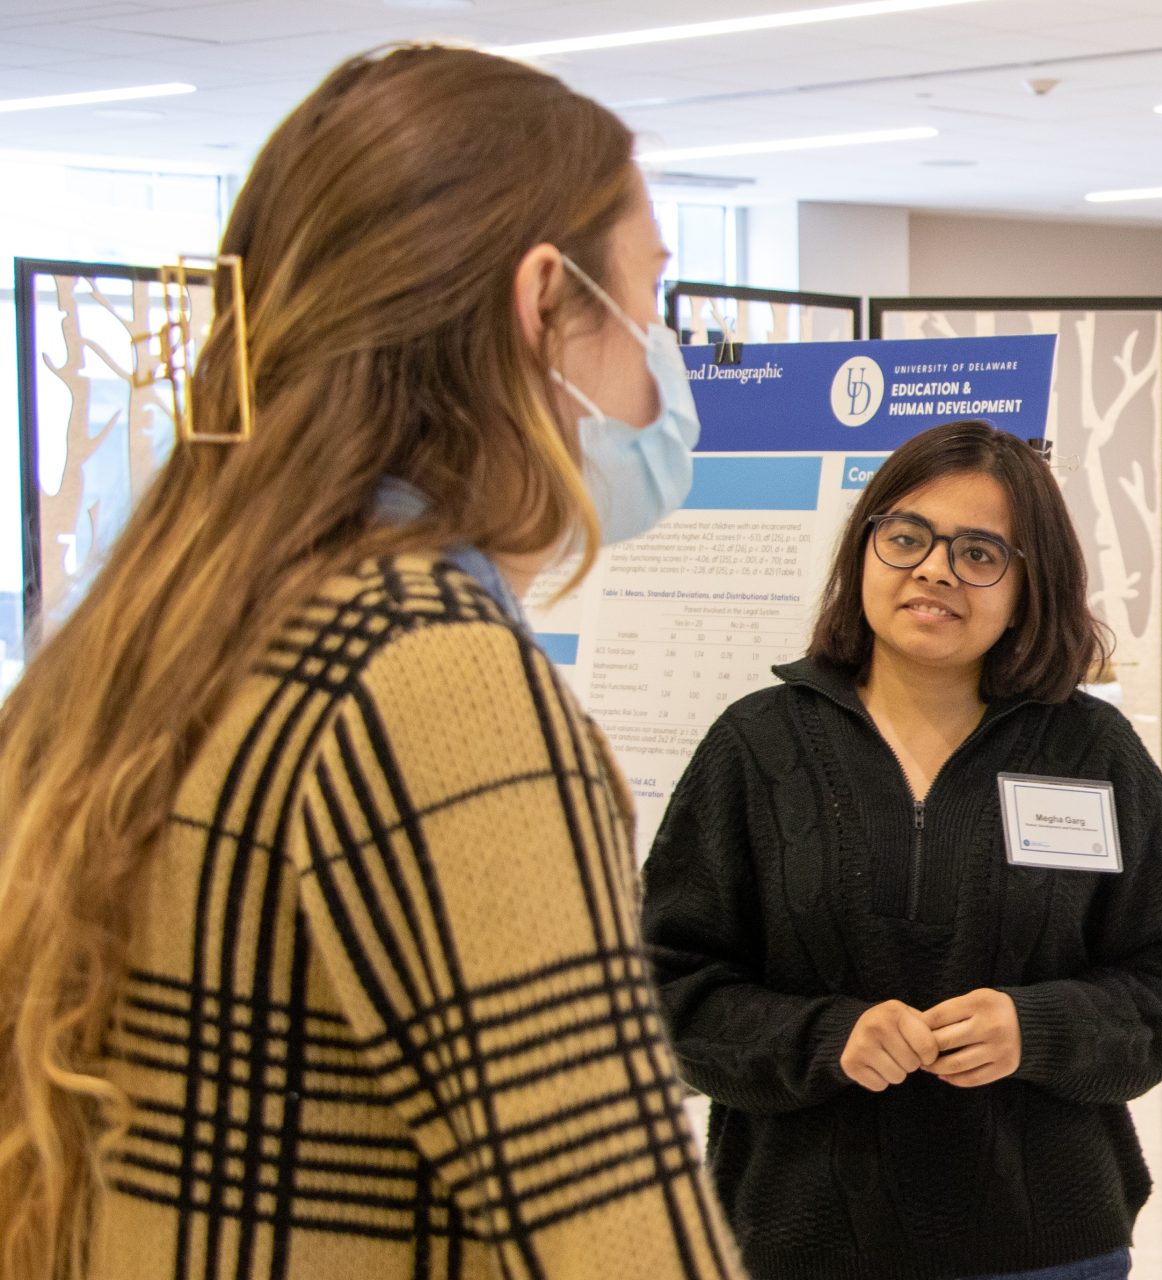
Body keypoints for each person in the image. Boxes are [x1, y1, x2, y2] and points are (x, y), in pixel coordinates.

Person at [0, 45, 737, 1280]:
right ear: (542, 300)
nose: (657, 362)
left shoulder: (151, 633)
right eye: (650, 298)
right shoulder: (434, 675)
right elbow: (619, 1241)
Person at [642, 420, 1162, 1280]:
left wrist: (1036, 1028)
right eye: (907, 536)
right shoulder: (755, 747)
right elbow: (663, 986)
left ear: (1032, 584)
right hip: (799, 1239)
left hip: (1047, 1244)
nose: (935, 570)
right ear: (864, 550)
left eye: (979, 553)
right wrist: (824, 1037)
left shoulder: (1093, 753)